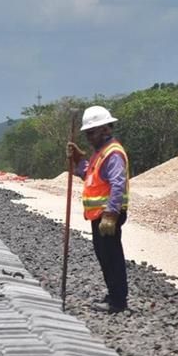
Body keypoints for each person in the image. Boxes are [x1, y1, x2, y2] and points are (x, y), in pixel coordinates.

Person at [67, 106, 130, 314]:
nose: (89, 137)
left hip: (108, 215)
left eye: (92, 133)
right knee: (104, 255)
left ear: (105, 129)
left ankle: (117, 302)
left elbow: (118, 183)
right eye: (87, 134)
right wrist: (78, 158)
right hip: (99, 215)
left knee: (111, 256)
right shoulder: (100, 153)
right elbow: (90, 175)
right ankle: (113, 295)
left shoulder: (113, 153)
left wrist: (111, 214)